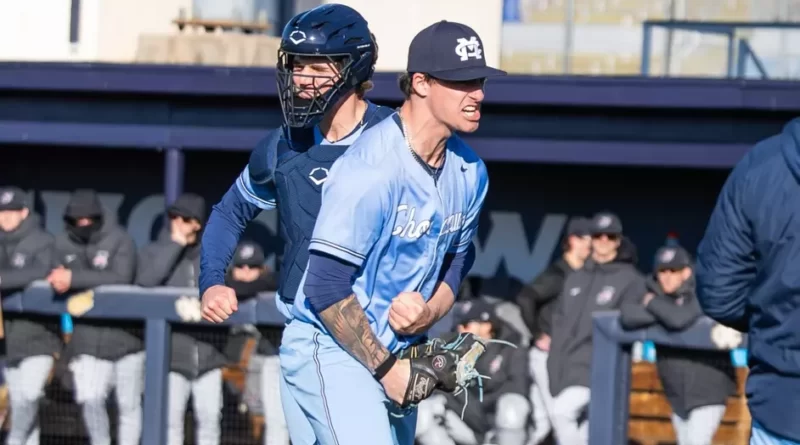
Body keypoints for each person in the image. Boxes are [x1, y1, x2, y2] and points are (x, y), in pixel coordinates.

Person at [276, 20, 502, 445]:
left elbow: (459, 259)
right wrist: (385, 370)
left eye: (480, 81)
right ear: (420, 83)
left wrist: (431, 312)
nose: (478, 94)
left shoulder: (470, 170)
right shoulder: (371, 167)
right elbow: (324, 287)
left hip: (397, 354)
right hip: (331, 349)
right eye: (462, 82)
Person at [199, 3, 392, 323]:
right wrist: (212, 283)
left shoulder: (398, 139)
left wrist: (431, 300)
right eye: (298, 66)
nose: (302, 79)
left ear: (354, 69)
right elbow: (228, 213)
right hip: (302, 329)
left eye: (317, 70)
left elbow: (452, 236)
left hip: (380, 327)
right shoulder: (281, 145)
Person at [695, 118, 800, 444]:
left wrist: (773, 322)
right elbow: (720, 293)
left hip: (784, 406)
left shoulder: (762, 164)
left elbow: (720, 293)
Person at [48, 189, 141, 445]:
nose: (83, 225)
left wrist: (74, 279)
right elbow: (52, 277)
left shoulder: (120, 239)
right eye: (77, 220)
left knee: (129, 405)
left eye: (88, 219)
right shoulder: (61, 243)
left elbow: (122, 278)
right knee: (89, 398)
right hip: (86, 339)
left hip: (127, 339)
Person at [134, 193, 228, 445]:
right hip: (171, 357)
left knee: (209, 421)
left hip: (209, 354)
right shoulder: (154, 251)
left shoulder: (211, 255)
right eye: (174, 217)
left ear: (198, 224)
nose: (178, 222)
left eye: (185, 218)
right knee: (170, 423)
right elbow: (146, 281)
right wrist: (175, 244)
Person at [620, 245, 736, 445]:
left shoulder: (703, 291)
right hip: (677, 395)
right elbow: (628, 315)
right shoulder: (652, 291)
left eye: (673, 271)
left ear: (686, 272)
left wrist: (652, 305)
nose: (666, 277)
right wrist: (662, 312)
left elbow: (678, 318)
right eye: (662, 271)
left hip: (708, 390)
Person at [547, 212, 645, 445]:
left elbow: (632, 324)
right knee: (587, 432)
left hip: (601, 370)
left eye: (609, 236)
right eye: (597, 235)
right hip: (566, 367)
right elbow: (559, 325)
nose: (603, 241)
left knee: (561, 413)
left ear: (618, 241)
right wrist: (554, 367)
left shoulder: (631, 279)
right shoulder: (576, 278)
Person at [515, 216, 591, 445]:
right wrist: (538, 334)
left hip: (564, 357)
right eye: (584, 238)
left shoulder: (585, 274)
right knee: (561, 417)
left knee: (541, 423)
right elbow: (525, 297)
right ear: (572, 241)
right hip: (547, 357)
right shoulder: (558, 274)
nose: (589, 244)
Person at [416, 298, 531, 445]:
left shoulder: (511, 348)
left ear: (486, 325)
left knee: (512, 406)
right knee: (425, 410)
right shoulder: (451, 350)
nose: (461, 330)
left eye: (466, 325)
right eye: (458, 325)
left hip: (498, 426)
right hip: (466, 423)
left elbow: (518, 388)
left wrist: (482, 404)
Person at [0, 186, 60, 445]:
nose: (6, 217)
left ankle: (13, 440)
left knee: (30, 396)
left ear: (24, 212)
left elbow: (42, 270)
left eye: (12, 212)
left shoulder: (43, 240)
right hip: (9, 340)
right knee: (20, 399)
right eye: (2, 212)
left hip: (40, 336)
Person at [223, 241, 286, 445]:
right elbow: (228, 285)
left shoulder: (274, 280)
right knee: (275, 420)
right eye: (241, 266)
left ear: (262, 268)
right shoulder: (226, 284)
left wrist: (243, 286)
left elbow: (268, 281)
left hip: (293, 357)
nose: (246, 271)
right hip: (269, 357)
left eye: (252, 267)